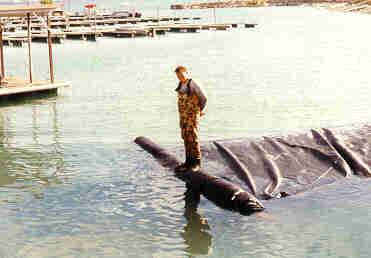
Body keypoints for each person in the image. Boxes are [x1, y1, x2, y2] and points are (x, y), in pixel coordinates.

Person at [174, 66, 207, 172]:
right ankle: (188, 161)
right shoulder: (180, 85)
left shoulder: (192, 83)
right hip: (183, 116)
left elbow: (204, 97)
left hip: (192, 115)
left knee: (193, 137)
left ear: (186, 73)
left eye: (181, 74)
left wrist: (199, 111)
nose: (180, 77)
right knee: (185, 137)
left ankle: (196, 162)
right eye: (178, 75)